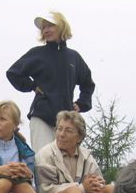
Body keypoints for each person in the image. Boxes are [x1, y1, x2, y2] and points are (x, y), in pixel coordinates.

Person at [6, 11, 95, 152]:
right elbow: (13, 73)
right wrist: (32, 85)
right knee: (43, 161)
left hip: (66, 121)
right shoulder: (37, 54)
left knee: (66, 163)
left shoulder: (74, 57)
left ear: (61, 27)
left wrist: (81, 104)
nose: (46, 30)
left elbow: (88, 84)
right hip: (42, 116)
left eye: (50, 26)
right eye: (44, 27)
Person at [35, 110, 120, 193]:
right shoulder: (45, 154)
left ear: (79, 137)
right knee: (74, 192)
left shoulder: (86, 156)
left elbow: (99, 180)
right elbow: (44, 192)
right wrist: (82, 189)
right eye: (59, 129)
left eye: (68, 130)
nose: (61, 134)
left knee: (111, 190)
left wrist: (97, 185)